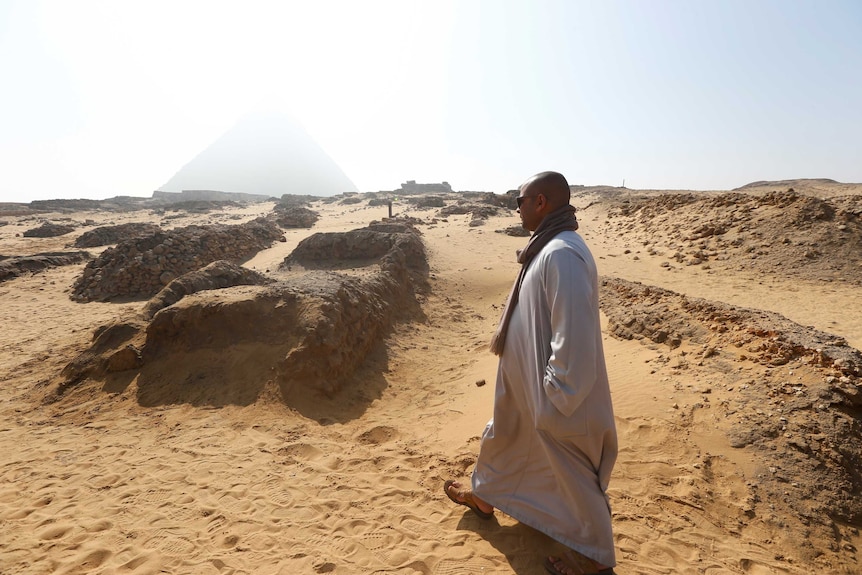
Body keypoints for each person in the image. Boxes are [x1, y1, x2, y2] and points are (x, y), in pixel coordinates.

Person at [444, 171, 618, 575]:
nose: (516, 208)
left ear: (541, 202)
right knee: (504, 436)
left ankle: (595, 560)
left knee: (570, 471)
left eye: (519, 201)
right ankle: (485, 497)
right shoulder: (547, 247)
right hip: (526, 384)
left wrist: (557, 394)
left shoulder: (562, 253)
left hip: (553, 394)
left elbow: (573, 330)